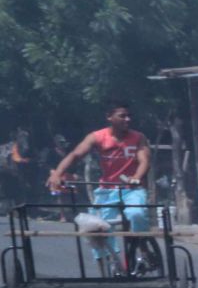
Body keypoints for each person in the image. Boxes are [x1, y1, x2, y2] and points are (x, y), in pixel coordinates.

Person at [46, 103, 152, 267]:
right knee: (98, 228)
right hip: (107, 189)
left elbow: (144, 161)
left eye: (129, 116)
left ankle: (143, 247)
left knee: (136, 214)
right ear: (109, 117)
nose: (127, 119)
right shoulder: (97, 137)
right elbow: (75, 155)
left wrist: (136, 178)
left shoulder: (138, 137)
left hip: (132, 189)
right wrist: (58, 173)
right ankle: (111, 261)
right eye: (122, 116)